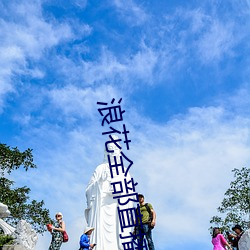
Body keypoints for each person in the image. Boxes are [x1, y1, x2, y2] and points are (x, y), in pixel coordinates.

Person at [85, 136, 134, 249]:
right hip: (101, 209)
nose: (112, 153)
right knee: (99, 239)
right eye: (110, 149)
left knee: (119, 239)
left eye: (115, 149)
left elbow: (130, 195)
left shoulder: (124, 171)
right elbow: (88, 190)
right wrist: (99, 183)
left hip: (117, 210)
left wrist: (121, 192)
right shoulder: (100, 169)